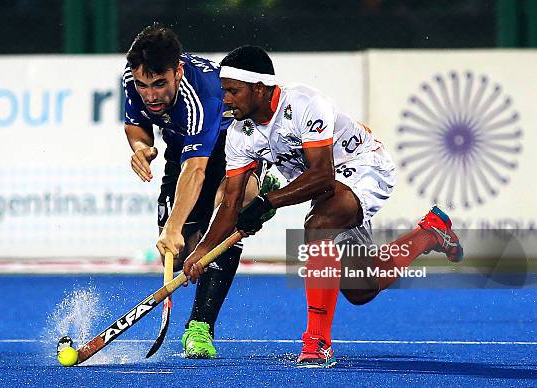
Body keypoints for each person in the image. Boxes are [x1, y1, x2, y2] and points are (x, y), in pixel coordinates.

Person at [183, 45, 463, 367]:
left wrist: (269, 201)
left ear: (259, 88)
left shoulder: (303, 104)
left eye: (233, 91)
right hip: (328, 190)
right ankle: (430, 232)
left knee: (317, 225)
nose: (226, 100)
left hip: (365, 166)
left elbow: (322, 175)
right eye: (224, 91)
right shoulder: (239, 134)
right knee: (362, 289)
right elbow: (231, 201)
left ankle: (317, 342)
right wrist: (203, 248)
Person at [123, 27, 278, 358]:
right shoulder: (134, 75)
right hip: (181, 152)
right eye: (143, 85)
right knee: (181, 256)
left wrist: (173, 226)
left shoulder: (202, 93)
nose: (150, 95)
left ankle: (199, 328)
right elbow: (136, 124)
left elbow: (198, 170)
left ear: (178, 70)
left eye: (160, 84)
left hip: (234, 145)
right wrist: (142, 146)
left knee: (221, 226)